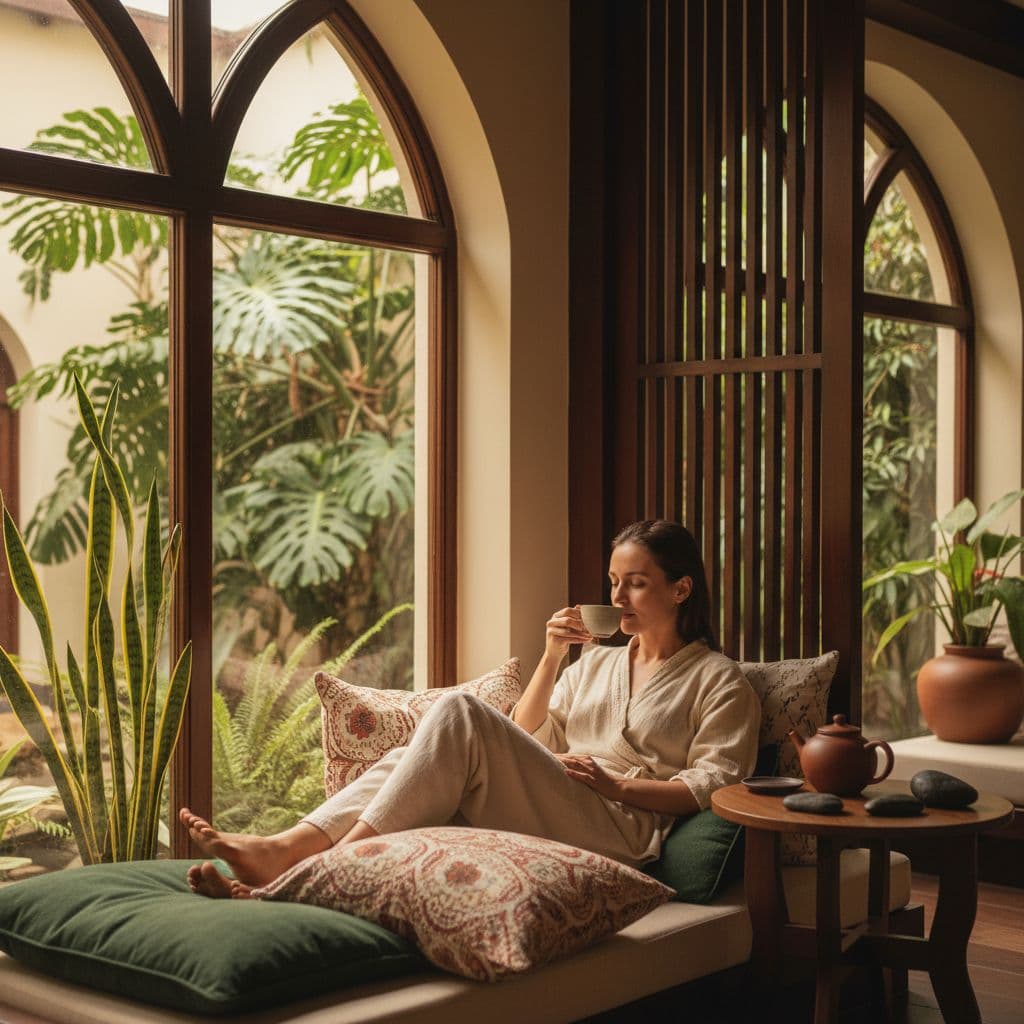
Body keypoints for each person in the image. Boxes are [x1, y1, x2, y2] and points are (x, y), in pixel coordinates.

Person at [180, 519, 760, 899]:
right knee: (416, 750)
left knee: (458, 712)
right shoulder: (599, 663)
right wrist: (554, 655)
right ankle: (286, 848)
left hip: (622, 827)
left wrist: (617, 786)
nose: (615, 598)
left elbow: (712, 786)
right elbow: (530, 729)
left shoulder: (720, 681)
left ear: (681, 590)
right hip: (560, 794)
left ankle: (308, 869)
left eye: (634, 584)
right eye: (612, 582)